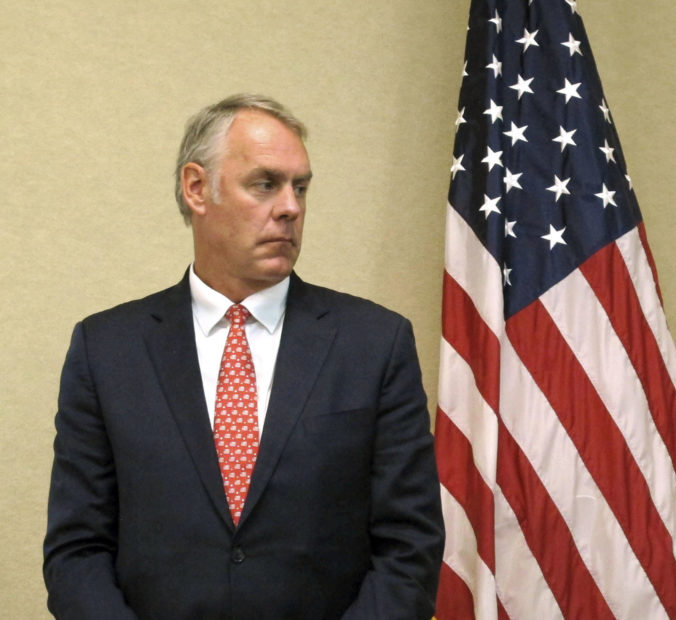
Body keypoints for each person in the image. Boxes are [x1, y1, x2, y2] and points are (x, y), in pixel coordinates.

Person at [43, 94, 444, 619]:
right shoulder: (107, 349)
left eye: (300, 187)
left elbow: (409, 550)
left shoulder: (374, 343)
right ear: (196, 188)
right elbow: (77, 552)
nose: (291, 207)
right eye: (265, 184)